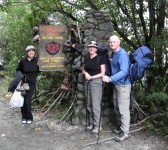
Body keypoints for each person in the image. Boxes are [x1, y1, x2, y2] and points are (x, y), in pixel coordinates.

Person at [102, 35, 131, 142]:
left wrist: (110, 79)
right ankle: (121, 127)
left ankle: (125, 133)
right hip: (116, 84)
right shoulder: (114, 53)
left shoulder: (122, 55)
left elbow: (124, 72)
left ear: (118, 43)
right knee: (117, 106)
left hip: (123, 85)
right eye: (110, 42)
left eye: (114, 42)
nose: (112, 44)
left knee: (123, 109)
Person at [82, 41, 105, 133]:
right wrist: (85, 73)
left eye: (93, 47)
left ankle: (97, 125)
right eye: (90, 47)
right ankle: (91, 124)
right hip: (87, 82)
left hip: (96, 82)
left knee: (95, 104)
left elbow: (103, 73)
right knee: (88, 103)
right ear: (88, 48)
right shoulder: (87, 57)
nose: (91, 48)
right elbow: (83, 69)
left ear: (96, 49)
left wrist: (92, 77)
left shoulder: (100, 58)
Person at [16, 45, 39, 124]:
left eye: (32, 51)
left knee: (27, 100)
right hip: (23, 83)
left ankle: (29, 117)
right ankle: (24, 117)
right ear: (27, 52)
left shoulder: (37, 60)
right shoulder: (23, 60)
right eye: (29, 51)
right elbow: (18, 70)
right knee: (22, 100)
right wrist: (19, 79)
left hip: (31, 83)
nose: (31, 52)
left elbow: (41, 70)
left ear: (34, 52)